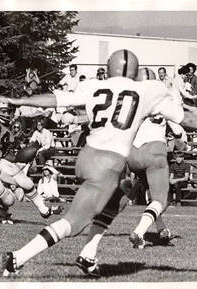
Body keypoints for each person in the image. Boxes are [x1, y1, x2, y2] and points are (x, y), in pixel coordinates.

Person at [0, 49, 187, 277]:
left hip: (88, 156)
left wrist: (18, 100)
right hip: (108, 164)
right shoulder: (147, 90)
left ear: (109, 67)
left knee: (118, 198)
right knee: (73, 224)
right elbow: (188, 120)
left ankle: (88, 254)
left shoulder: (94, 86)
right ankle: (17, 258)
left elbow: (55, 99)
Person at [74, 67, 184, 277]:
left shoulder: (131, 99)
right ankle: (140, 232)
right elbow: (179, 129)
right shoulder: (159, 99)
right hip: (153, 152)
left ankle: (160, 230)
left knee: (127, 194)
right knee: (162, 197)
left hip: (131, 153)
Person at [0, 98, 62, 224]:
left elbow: (6, 155)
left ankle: (44, 210)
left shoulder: (8, 131)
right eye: (4, 110)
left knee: (27, 183)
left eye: (10, 111)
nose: (7, 114)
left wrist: (23, 157)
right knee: (9, 200)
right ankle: (3, 214)